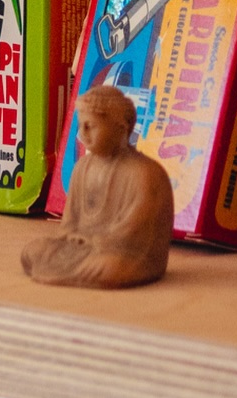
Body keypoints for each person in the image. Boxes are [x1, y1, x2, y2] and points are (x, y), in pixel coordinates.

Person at [21, 84, 174, 289]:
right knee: (33, 252)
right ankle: (75, 265)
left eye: (90, 126)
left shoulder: (145, 174)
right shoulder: (82, 167)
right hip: (81, 246)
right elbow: (70, 221)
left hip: (121, 252)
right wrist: (71, 234)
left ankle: (85, 267)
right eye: (80, 125)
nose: (82, 133)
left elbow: (135, 231)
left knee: (110, 267)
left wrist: (96, 240)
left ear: (120, 128)